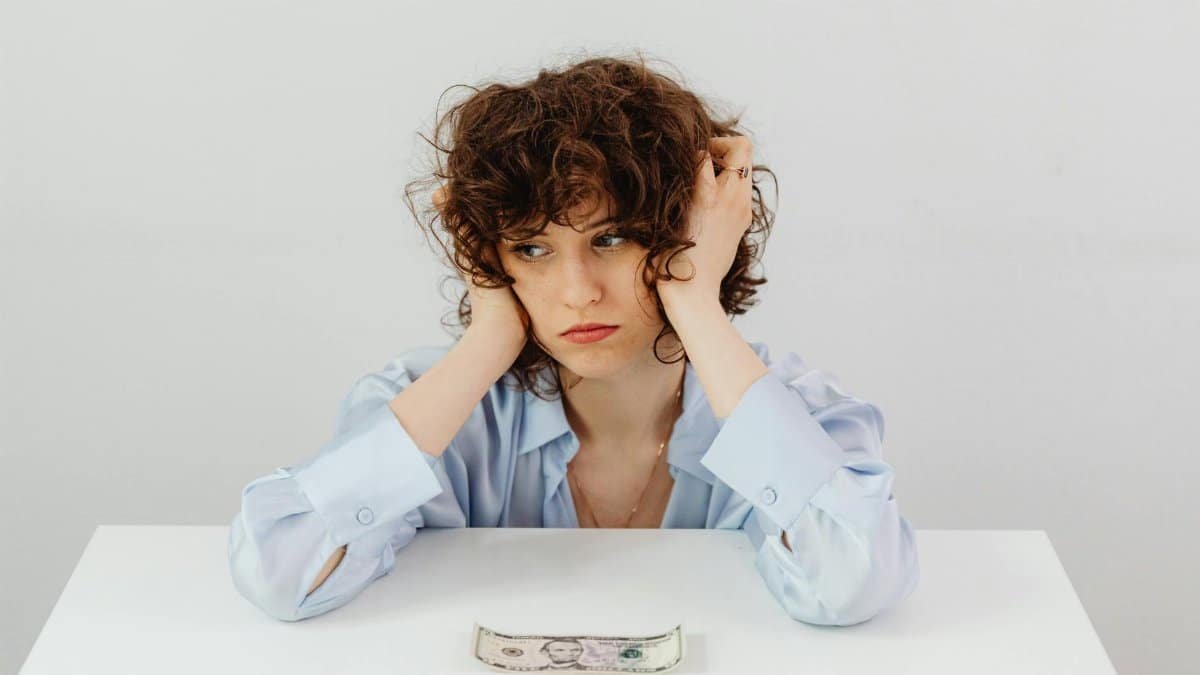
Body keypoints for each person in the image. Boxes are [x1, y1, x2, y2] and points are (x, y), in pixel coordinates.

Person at [228, 52, 919, 626]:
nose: (577, 290)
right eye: (531, 249)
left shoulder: (795, 413)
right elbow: (279, 573)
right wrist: (487, 338)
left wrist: (693, 299)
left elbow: (853, 580)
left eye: (612, 238)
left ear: (693, 233)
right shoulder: (437, 409)